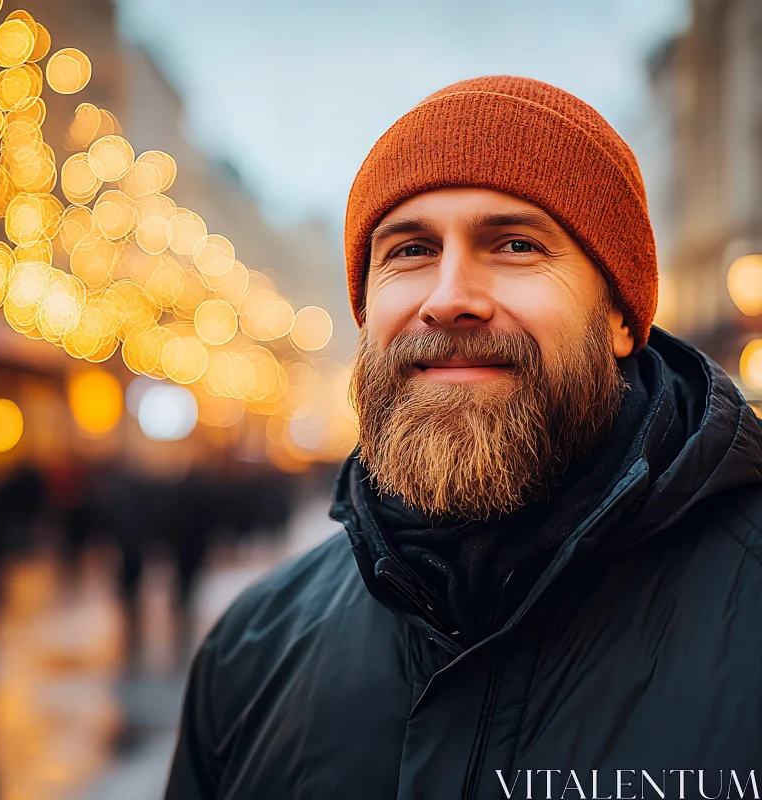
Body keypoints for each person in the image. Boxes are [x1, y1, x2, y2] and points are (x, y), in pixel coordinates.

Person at [164, 77, 762, 800]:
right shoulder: (253, 651)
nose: (449, 297)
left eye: (514, 244)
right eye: (410, 250)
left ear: (620, 318)